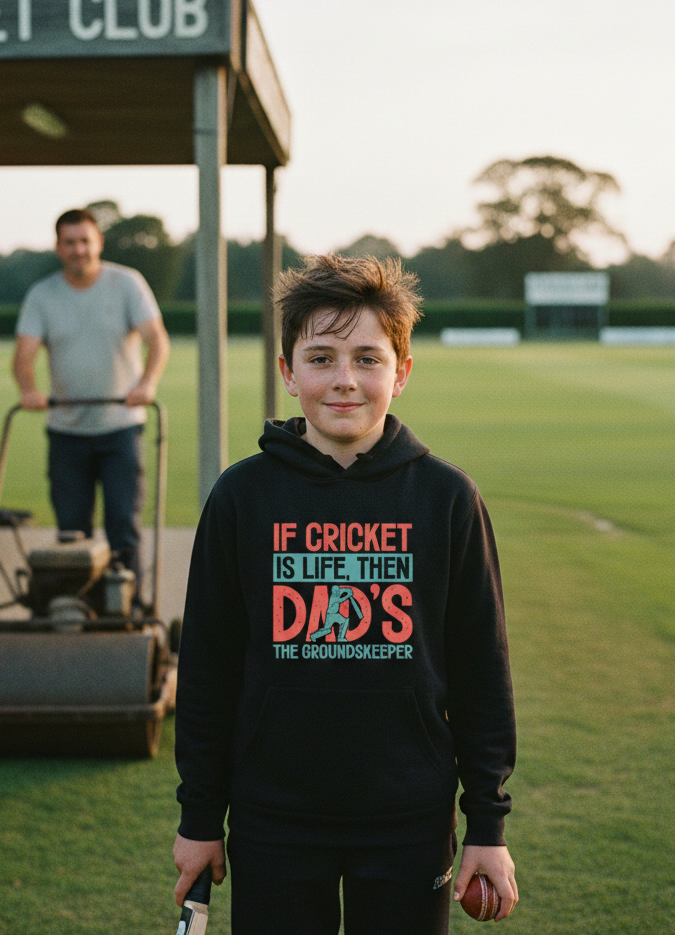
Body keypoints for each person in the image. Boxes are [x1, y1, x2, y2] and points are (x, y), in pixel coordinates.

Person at [173, 255, 517, 934]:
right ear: (287, 371)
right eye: (322, 357)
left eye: (367, 357)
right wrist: (199, 818)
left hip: (408, 819)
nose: (345, 380)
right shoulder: (242, 497)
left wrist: (487, 822)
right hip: (273, 817)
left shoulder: (447, 498)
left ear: (402, 370)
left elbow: (482, 672)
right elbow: (207, 670)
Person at [13, 208, 170, 594]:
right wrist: (29, 390)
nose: (78, 249)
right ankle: (77, 609)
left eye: (85, 241)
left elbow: (156, 339)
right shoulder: (42, 295)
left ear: (98, 243)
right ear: (58, 247)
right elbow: (23, 355)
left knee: (123, 524)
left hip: (120, 426)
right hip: (66, 429)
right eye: (70, 242)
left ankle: (128, 610)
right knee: (71, 530)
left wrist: (147, 382)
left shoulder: (127, 284)